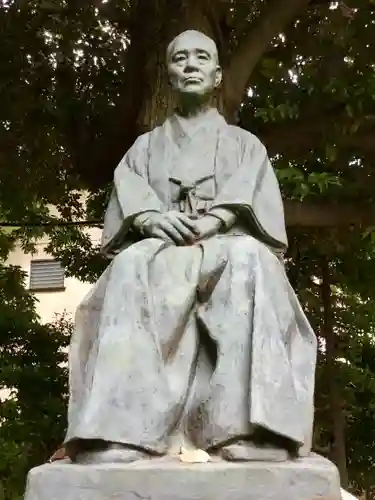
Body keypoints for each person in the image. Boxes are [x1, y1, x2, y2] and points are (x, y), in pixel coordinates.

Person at [64, 30, 317, 464]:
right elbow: (129, 197)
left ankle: (246, 428)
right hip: (163, 250)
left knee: (253, 262)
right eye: (180, 59)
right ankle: (122, 430)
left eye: (202, 57)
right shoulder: (143, 149)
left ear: (218, 75)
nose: (191, 64)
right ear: (169, 77)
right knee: (128, 267)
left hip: (228, 244)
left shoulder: (245, 145)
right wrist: (153, 219)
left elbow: (252, 200)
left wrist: (218, 218)